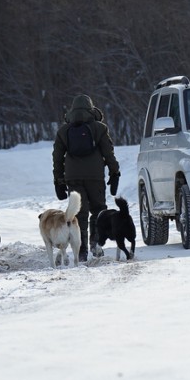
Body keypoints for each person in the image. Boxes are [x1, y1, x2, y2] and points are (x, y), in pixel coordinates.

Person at [53, 94, 120, 263]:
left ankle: (81, 249)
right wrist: (114, 172)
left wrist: (58, 180)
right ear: (91, 109)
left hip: (73, 177)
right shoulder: (100, 128)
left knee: (79, 214)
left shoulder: (63, 131)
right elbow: (108, 152)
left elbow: (57, 158)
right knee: (98, 210)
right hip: (95, 176)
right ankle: (95, 244)